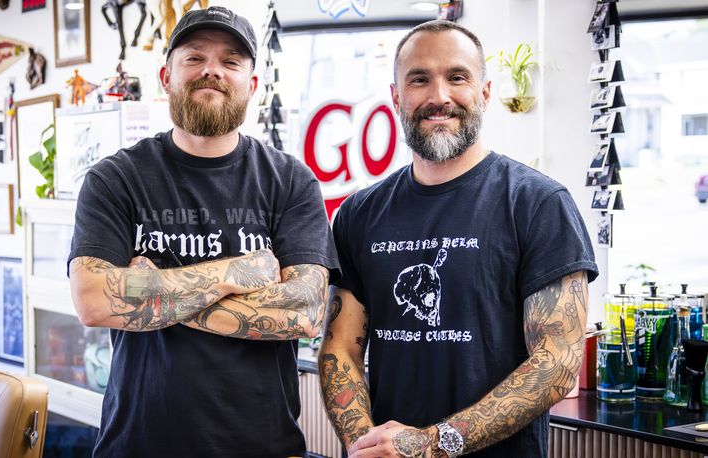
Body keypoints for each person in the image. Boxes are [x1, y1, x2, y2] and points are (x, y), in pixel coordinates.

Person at [68, 6, 340, 457]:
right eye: (194, 58)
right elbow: (95, 300)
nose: (211, 70)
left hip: (262, 445)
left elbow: (304, 311)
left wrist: (153, 294)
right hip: (138, 444)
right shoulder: (115, 178)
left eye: (230, 61)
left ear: (251, 85)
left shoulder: (290, 181)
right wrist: (233, 273)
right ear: (166, 76)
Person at [319, 20, 598, 458]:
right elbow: (341, 349)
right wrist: (364, 445)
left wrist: (430, 444)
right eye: (419, 79)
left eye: (457, 77)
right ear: (396, 97)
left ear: (484, 93)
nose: (439, 97)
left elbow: (556, 364)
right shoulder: (360, 213)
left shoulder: (538, 204)